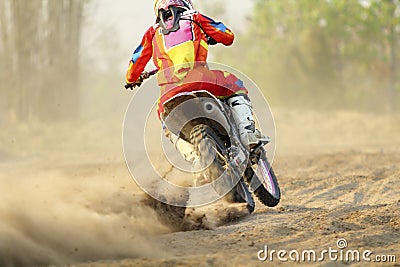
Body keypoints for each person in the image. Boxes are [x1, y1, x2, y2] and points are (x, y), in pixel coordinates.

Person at [125, 0, 267, 155]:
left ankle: (193, 158)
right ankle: (247, 133)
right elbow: (227, 36)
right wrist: (210, 36)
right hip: (201, 81)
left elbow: (135, 63)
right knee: (236, 85)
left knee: (166, 120)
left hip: (168, 94)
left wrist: (131, 79)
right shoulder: (195, 18)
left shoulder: (151, 33)